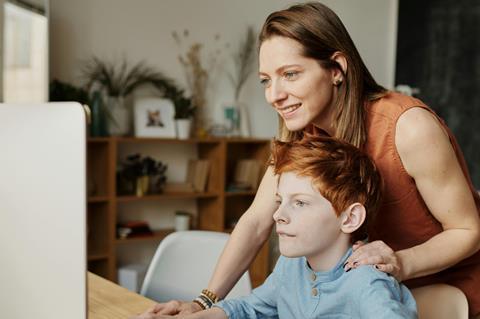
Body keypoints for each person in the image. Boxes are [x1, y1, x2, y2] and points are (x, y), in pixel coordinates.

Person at [149, 2, 480, 317]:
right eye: (266, 79)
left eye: (290, 74)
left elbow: (467, 230)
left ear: (336, 68)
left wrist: (401, 262)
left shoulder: (408, 127)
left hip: (447, 293)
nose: (273, 95)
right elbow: (256, 220)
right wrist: (204, 301)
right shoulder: (301, 132)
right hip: (368, 289)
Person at [136, 135, 418, 319]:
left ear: (349, 218)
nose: (278, 216)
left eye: (300, 203)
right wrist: (193, 317)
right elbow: (251, 307)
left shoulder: (366, 282)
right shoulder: (291, 266)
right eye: (280, 201)